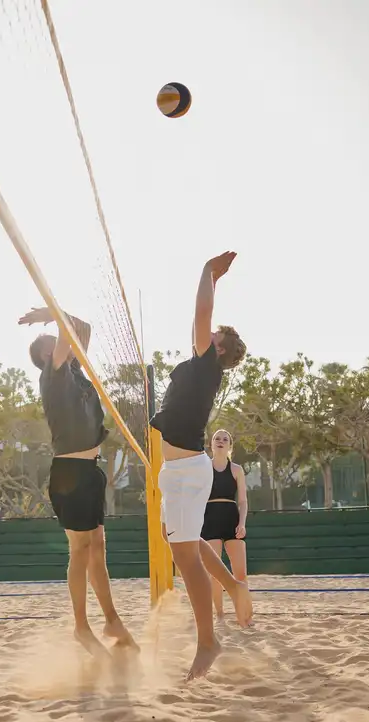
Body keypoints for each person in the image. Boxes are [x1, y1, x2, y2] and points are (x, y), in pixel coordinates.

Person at [149, 251, 254, 681]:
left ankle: (208, 641)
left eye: (213, 333)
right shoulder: (202, 368)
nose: (205, 332)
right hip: (178, 470)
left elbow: (201, 311)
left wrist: (208, 273)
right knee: (185, 544)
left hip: (186, 470)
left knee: (184, 559)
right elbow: (202, 319)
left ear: (219, 346)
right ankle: (232, 585)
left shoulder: (206, 362)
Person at [20, 305, 137, 659]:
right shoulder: (54, 375)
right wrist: (51, 313)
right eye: (54, 343)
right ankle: (81, 627)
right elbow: (70, 333)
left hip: (90, 473)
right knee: (80, 550)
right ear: (46, 353)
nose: (63, 343)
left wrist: (57, 313)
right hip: (68, 473)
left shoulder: (76, 372)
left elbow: (81, 327)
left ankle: (112, 621)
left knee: (98, 548)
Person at [200, 429, 248, 620]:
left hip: (231, 519)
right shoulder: (203, 468)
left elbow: (243, 501)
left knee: (240, 574)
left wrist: (242, 523)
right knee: (215, 573)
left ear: (230, 446)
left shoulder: (236, 469)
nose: (220, 441)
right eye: (217, 438)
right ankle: (219, 614)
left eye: (225, 439)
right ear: (211, 444)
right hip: (209, 519)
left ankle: (243, 614)